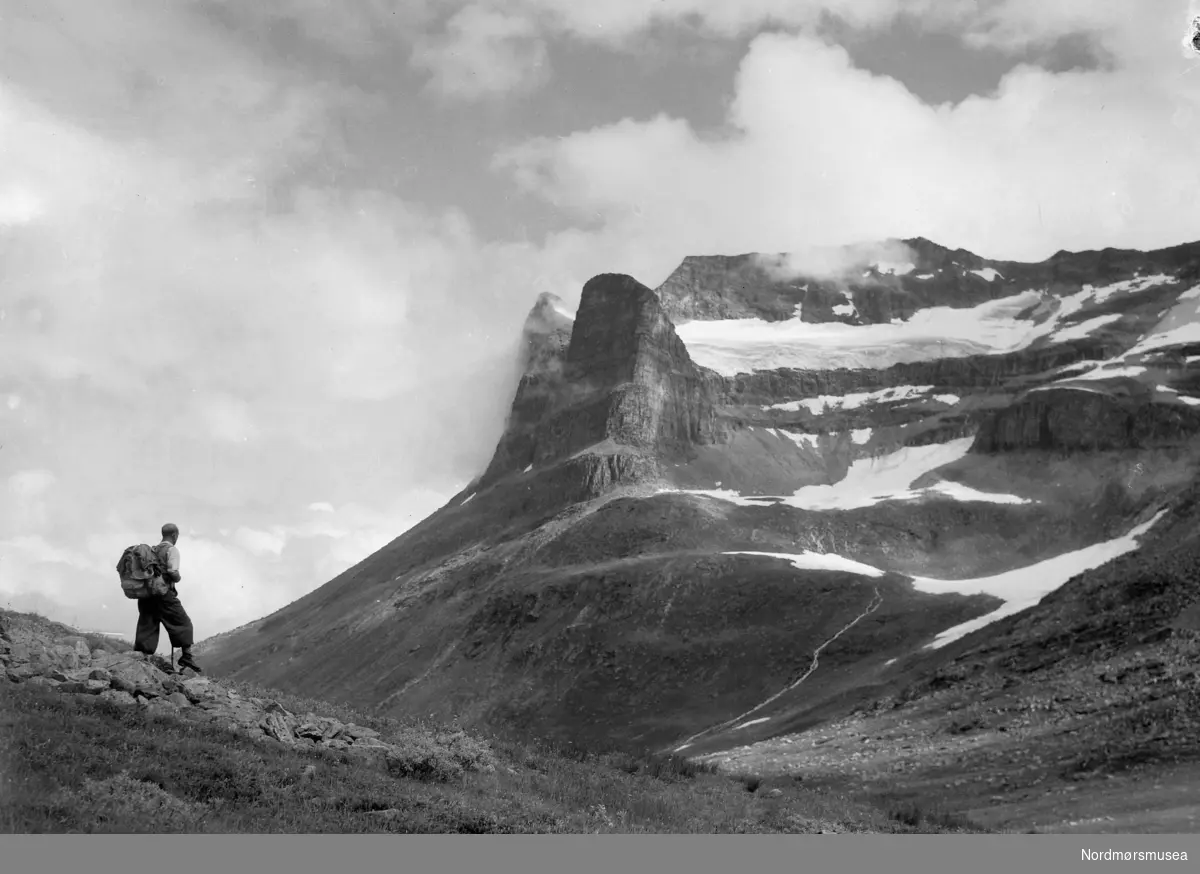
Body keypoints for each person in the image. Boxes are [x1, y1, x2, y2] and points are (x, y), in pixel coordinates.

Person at [133, 522, 202, 673]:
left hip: (146, 595)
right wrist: (178, 578)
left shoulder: (152, 550)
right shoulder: (172, 550)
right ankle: (186, 656)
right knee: (183, 621)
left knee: (148, 623)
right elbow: (173, 571)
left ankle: (142, 657)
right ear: (175, 535)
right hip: (163, 594)